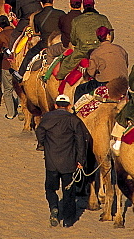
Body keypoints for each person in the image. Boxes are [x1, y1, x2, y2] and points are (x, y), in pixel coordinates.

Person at [35, 94, 88, 228]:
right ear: (69, 106)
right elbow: (81, 142)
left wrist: (43, 143)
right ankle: (68, 221)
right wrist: (81, 161)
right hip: (69, 163)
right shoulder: (74, 120)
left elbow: (40, 131)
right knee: (69, 192)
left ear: (55, 105)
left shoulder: (47, 118)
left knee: (50, 189)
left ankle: (54, 207)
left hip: (51, 162)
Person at [59, 0, 112, 78]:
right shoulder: (103, 18)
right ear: (94, 5)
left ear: (83, 6)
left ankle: (60, 81)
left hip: (82, 52)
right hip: (101, 50)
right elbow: (111, 37)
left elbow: (73, 40)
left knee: (65, 66)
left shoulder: (76, 20)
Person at [75, 27, 128, 101]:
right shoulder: (120, 49)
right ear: (108, 36)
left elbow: (91, 72)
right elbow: (126, 64)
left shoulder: (96, 53)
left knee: (79, 89)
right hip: (123, 83)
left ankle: (75, 111)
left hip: (105, 83)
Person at [0, 15, 18, 119]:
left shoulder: (0, 35)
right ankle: (22, 109)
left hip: (6, 65)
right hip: (18, 64)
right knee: (20, 89)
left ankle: (10, 113)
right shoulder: (17, 32)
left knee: (8, 90)